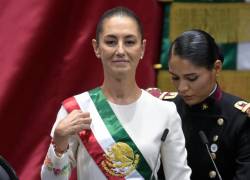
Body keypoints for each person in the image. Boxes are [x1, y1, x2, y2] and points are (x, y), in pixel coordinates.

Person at [41, 7, 191, 180]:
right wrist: (59, 142)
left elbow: (179, 177)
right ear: (97, 48)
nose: (120, 51)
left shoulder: (165, 112)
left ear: (142, 48)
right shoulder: (76, 110)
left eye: (129, 42)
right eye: (111, 42)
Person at [148, 29, 250, 180]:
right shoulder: (161, 107)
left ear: (216, 68)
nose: (182, 87)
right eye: (175, 77)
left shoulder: (240, 118)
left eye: (192, 78)